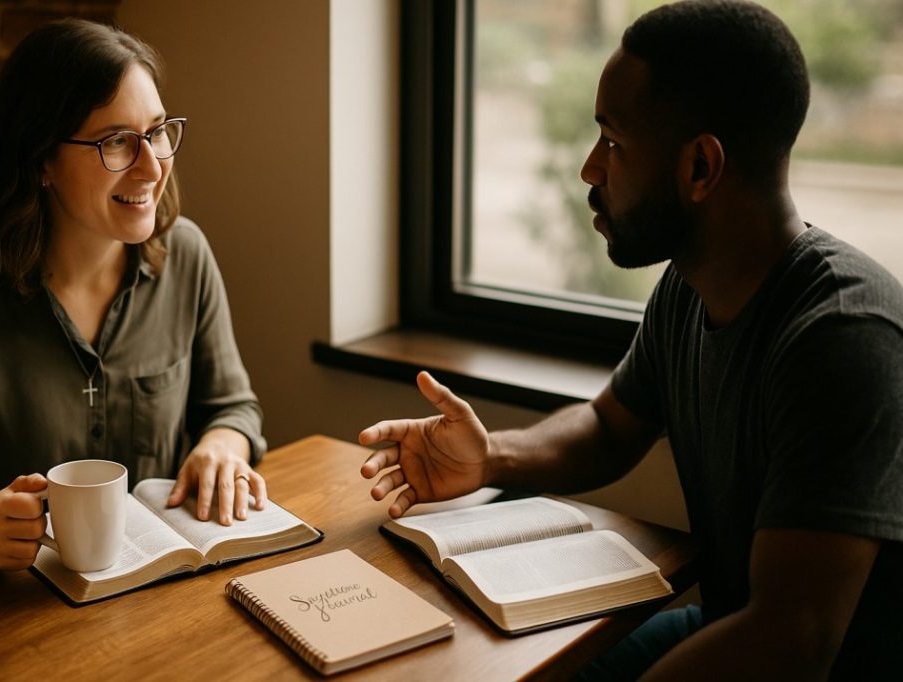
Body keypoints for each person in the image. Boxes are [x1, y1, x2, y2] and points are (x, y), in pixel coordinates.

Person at [360, 1, 903, 679]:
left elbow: (791, 638)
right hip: (726, 624)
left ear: (701, 168)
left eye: (612, 142)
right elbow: (607, 429)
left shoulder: (843, 336)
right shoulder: (691, 285)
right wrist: (488, 458)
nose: (590, 169)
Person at [0, 19, 268, 572]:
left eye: (157, 132)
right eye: (116, 141)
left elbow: (233, 406)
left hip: (163, 598)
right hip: (7, 615)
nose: (152, 166)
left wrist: (222, 447)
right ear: (41, 160)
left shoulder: (186, 255)